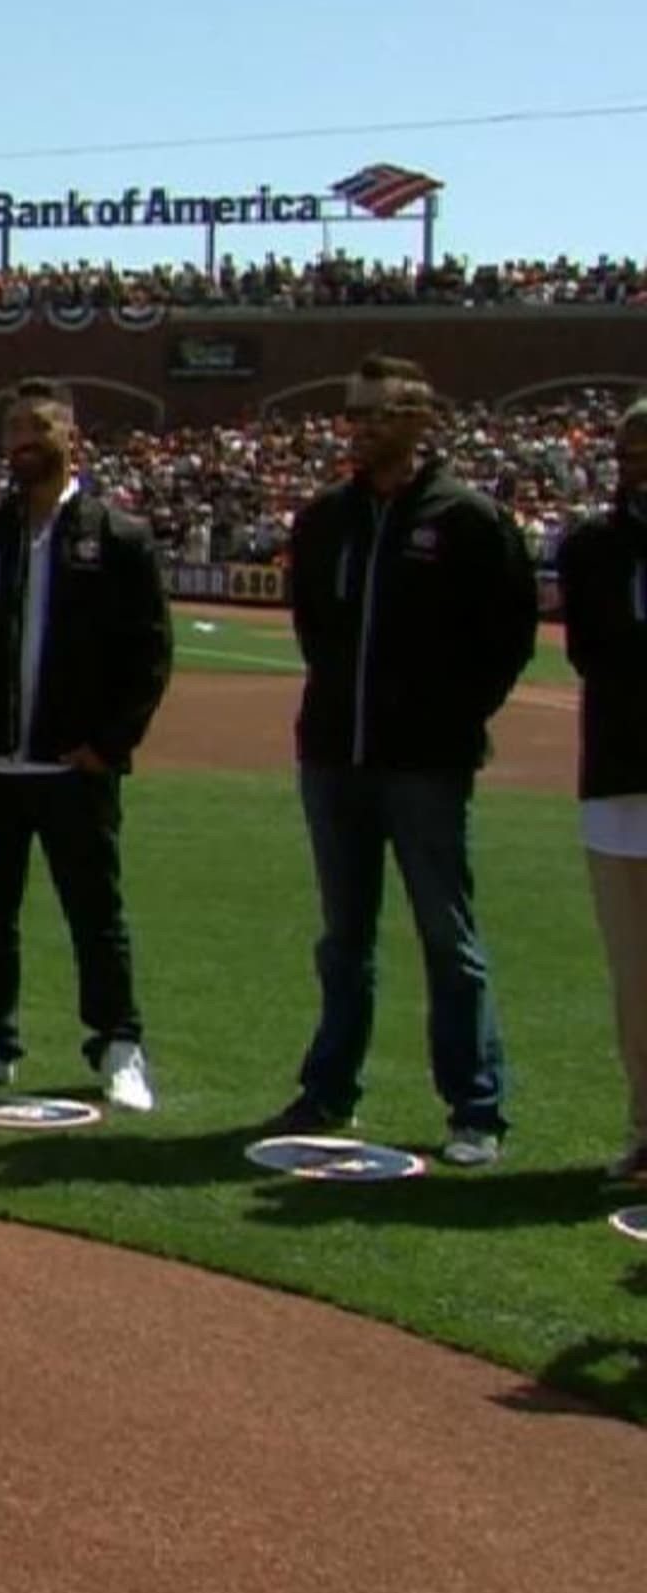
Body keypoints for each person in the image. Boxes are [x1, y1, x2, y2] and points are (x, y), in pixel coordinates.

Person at [269, 355, 542, 1167]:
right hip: (333, 757)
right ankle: (328, 1091)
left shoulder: (468, 520)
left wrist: (451, 717)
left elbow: (508, 636)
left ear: (422, 421)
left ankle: (475, 1106)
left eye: (380, 414)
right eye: (353, 413)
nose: (361, 428)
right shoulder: (325, 521)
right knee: (342, 939)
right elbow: (314, 629)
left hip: (425, 764)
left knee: (445, 936)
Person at [0, 378, 171, 1108]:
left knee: (95, 913)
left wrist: (110, 745)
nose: (24, 441)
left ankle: (118, 1046)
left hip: (71, 767)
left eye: (39, 429)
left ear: (70, 441)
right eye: (14, 430)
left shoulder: (117, 538)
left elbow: (149, 655)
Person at [560, 397, 647, 1186]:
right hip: (619, 778)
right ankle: (646, 1125)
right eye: (631, 449)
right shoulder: (594, 545)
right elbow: (588, 651)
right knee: (635, 974)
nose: (640, 461)